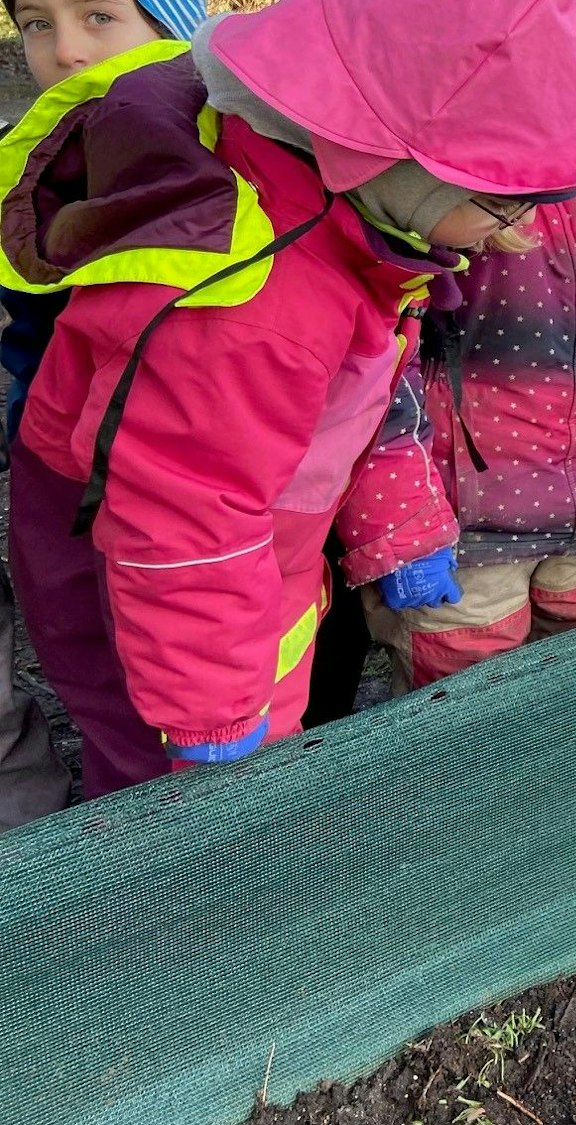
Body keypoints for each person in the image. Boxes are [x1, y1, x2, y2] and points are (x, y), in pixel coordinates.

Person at [2, 0, 576, 798]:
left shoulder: (354, 219)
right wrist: (215, 722)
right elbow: (186, 516)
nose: (517, 228)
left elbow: (357, 389)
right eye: (503, 198)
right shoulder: (255, 306)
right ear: (396, 159)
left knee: (257, 736)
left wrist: (402, 525)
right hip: (156, 595)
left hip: (254, 563)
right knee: (161, 800)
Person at [355, 0, 576, 692]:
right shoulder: (449, 176)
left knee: (575, 697)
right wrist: (398, 518)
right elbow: (380, 351)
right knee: (467, 714)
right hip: (468, 526)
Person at [0, 0, 208, 826]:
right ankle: (122, 848)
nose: (66, 52)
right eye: (37, 24)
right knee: (86, 659)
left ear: (174, 25)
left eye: (99, 16)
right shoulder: (36, 159)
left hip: (188, 479)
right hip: (54, 463)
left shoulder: (228, 155)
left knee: (187, 680)